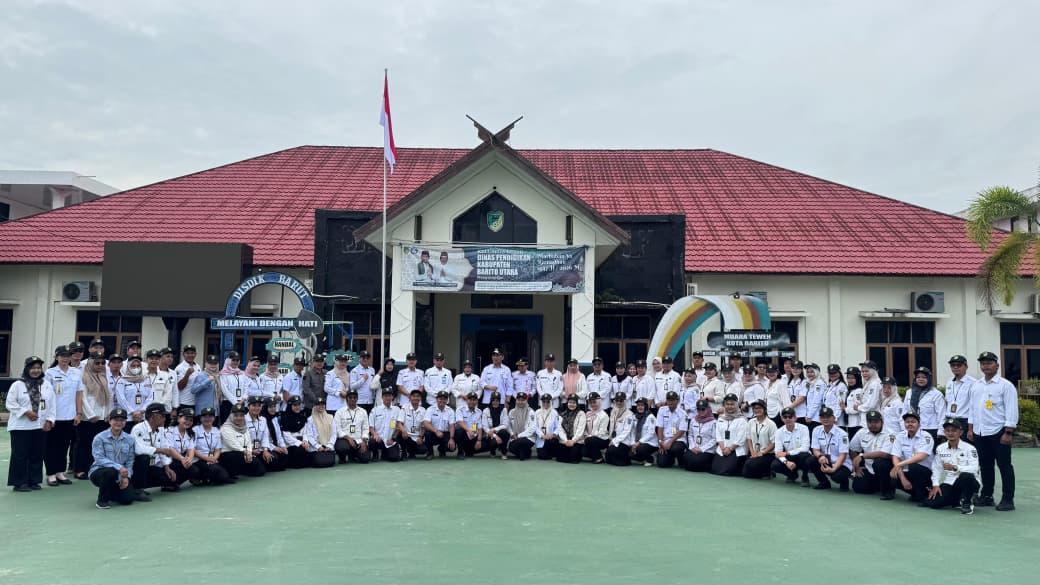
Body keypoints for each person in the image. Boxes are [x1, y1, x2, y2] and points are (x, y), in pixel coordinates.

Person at [968, 351, 1017, 511]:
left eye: (989, 363)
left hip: (999, 432)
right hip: (980, 432)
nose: (986, 366)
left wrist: (1008, 432)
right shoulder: (976, 385)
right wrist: (971, 428)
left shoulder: (1005, 385)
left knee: (1004, 465)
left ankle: (1008, 499)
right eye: (983, 363)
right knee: (985, 465)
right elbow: (972, 408)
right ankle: (987, 496)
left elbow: (1011, 409)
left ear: (997, 365)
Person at [6, 356, 56, 492]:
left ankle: (34, 481)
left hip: (40, 425)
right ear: (27, 369)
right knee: (20, 455)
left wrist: (50, 420)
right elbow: (10, 403)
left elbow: (52, 404)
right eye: (33, 368)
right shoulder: (18, 384)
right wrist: (25, 412)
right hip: (21, 426)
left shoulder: (46, 384)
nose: (36, 370)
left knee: (37, 454)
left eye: (38, 368)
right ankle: (19, 483)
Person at [43, 345, 80, 486]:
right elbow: (45, 395)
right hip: (54, 415)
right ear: (56, 357)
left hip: (69, 415)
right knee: (51, 446)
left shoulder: (75, 372)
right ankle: (51, 473)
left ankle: (60, 472)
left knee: (64, 445)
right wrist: (47, 417)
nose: (65, 358)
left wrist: (78, 413)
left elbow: (79, 394)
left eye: (67, 356)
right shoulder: (50, 373)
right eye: (62, 356)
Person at [927, 417, 981, 514]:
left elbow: (974, 468)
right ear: (944, 432)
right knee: (934, 503)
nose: (950, 433)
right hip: (951, 482)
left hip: (970, 482)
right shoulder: (940, 448)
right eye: (947, 430)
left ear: (961, 432)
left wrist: (955, 467)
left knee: (965, 476)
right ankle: (957, 500)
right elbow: (936, 468)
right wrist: (935, 485)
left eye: (954, 430)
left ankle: (967, 502)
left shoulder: (970, 448)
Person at [88, 408, 137, 508]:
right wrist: (119, 467)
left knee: (127, 499)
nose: (119, 423)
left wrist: (126, 477)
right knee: (110, 471)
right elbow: (99, 458)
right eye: (116, 420)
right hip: (100, 471)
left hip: (121, 474)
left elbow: (130, 461)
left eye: (122, 420)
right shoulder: (99, 438)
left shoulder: (130, 439)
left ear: (125, 422)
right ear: (110, 420)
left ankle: (112, 492)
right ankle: (102, 501)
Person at [74, 352, 112, 479]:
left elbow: (108, 398)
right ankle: (80, 469)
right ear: (91, 364)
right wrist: (91, 415)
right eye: (97, 363)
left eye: (102, 363)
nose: (100, 365)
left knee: (98, 444)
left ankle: (93, 468)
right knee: (84, 444)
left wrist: (108, 414)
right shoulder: (84, 377)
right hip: (88, 418)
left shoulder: (104, 377)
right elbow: (83, 398)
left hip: (102, 418)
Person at [130, 404, 182, 496]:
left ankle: (142, 485)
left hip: (153, 465)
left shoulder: (160, 429)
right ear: (153, 417)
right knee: (143, 458)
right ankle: (137, 489)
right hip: (136, 466)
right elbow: (138, 449)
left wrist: (166, 466)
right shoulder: (138, 428)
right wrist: (159, 450)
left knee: (170, 478)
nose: (165, 419)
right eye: (162, 416)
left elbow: (164, 446)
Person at [884, 411, 934, 503]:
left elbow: (921, 457)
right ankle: (915, 493)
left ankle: (923, 496)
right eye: (907, 422)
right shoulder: (900, 436)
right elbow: (895, 456)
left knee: (914, 467)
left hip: (925, 473)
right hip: (906, 470)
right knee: (893, 479)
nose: (910, 424)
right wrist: (902, 477)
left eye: (913, 422)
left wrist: (899, 465)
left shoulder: (926, 437)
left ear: (919, 424)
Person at [849, 410, 896, 495]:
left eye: (876, 422)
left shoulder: (890, 434)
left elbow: (885, 454)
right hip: (869, 468)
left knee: (880, 463)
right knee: (858, 487)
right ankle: (880, 485)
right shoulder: (862, 432)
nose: (873, 425)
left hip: (885, 468)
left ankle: (888, 489)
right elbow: (852, 449)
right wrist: (857, 466)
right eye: (870, 422)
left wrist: (862, 456)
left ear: (882, 422)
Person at [807, 406, 851, 490]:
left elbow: (843, 455)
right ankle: (824, 482)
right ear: (819, 419)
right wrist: (820, 456)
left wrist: (833, 469)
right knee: (811, 460)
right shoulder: (816, 430)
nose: (825, 419)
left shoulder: (842, 434)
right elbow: (815, 449)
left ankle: (844, 481)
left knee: (837, 477)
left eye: (828, 417)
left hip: (842, 463)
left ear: (834, 418)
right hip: (826, 460)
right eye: (823, 417)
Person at [220, 403, 266, 478]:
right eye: (236, 415)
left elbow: (248, 442)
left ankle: (241, 471)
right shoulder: (225, 428)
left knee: (260, 470)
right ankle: (229, 472)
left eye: (241, 415)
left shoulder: (243, 426)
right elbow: (233, 445)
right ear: (231, 416)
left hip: (244, 453)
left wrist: (249, 452)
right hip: (228, 455)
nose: (239, 418)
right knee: (240, 457)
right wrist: (246, 452)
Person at [192, 407, 233, 485]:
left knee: (224, 476)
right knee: (218, 473)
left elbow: (218, 449)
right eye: (205, 416)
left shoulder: (216, 431)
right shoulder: (195, 430)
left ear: (214, 418)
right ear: (201, 418)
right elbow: (192, 449)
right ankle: (199, 477)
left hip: (212, 459)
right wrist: (206, 458)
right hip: (198, 459)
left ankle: (206, 478)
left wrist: (214, 458)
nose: (207, 419)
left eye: (210, 416)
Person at [771, 407, 811, 485]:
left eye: (790, 417)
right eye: (785, 417)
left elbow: (805, 448)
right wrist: (786, 462)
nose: (788, 419)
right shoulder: (779, 432)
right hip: (789, 457)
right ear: (782, 419)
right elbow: (778, 452)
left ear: (795, 418)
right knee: (775, 465)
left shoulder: (804, 428)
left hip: (801, 455)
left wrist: (787, 453)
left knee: (807, 457)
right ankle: (792, 475)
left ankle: (805, 476)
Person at [711, 394, 748, 476]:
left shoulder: (742, 420)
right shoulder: (721, 418)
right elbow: (718, 435)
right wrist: (723, 448)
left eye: (732, 404)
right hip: (723, 448)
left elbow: (741, 438)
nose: (729, 407)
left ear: (737, 405)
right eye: (727, 404)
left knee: (728, 470)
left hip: (736, 449)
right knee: (715, 469)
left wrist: (730, 449)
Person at [166, 409, 204, 487]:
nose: (188, 422)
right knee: (186, 468)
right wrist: (182, 459)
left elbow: (191, 449)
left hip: (180, 459)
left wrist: (190, 459)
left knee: (195, 470)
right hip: (168, 460)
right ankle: (168, 483)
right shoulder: (169, 431)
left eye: (191, 420)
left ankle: (175, 482)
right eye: (186, 419)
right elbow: (170, 449)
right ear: (178, 419)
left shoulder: (190, 433)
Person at [242, 396, 279, 472]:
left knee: (274, 459)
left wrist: (265, 450)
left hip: (259, 450)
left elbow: (265, 437)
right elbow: (240, 439)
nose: (257, 408)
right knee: (259, 470)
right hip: (247, 451)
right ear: (248, 407)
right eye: (254, 405)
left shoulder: (263, 419)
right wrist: (250, 450)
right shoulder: (243, 420)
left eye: (259, 406)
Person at [907, 366, 945, 441]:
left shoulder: (936, 394)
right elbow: (905, 411)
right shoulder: (909, 392)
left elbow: (941, 414)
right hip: (912, 429)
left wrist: (941, 431)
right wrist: (904, 428)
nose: (921, 379)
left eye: (924, 377)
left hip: (930, 429)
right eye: (918, 377)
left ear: (929, 378)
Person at [333, 390, 371, 463]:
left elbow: (365, 428)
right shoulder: (339, 412)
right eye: (350, 397)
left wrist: (364, 441)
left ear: (357, 399)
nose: (352, 399)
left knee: (366, 458)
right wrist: (348, 438)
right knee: (342, 447)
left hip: (359, 440)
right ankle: (342, 458)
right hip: (345, 440)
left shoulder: (363, 411)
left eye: (354, 397)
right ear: (346, 399)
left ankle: (353, 455)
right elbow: (337, 429)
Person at [742, 401, 776, 479]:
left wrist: (762, 452)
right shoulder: (751, 422)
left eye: (759, 408)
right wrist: (752, 452)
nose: (757, 410)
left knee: (750, 467)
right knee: (745, 472)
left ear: (765, 409)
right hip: (754, 452)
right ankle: (764, 472)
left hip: (767, 453)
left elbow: (774, 443)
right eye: (755, 408)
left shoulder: (771, 424)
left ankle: (768, 471)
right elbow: (749, 438)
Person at [943, 355, 975, 437]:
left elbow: (974, 406)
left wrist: (971, 428)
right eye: (953, 365)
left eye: (959, 365)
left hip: (964, 421)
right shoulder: (949, 382)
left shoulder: (973, 383)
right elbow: (947, 402)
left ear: (966, 367)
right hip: (949, 419)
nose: (955, 367)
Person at [368, 388, 402, 462]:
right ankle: (375, 453)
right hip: (378, 439)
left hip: (389, 441)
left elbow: (398, 427)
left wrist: (393, 439)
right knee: (372, 441)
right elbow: (371, 427)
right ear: (382, 397)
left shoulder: (397, 410)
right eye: (385, 396)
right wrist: (375, 435)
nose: (388, 398)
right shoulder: (375, 410)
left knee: (394, 458)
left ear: (392, 397)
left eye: (389, 396)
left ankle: (385, 453)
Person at [655, 391, 687, 468]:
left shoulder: (683, 413)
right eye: (669, 400)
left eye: (673, 400)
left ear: (677, 401)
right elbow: (660, 427)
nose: (670, 402)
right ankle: (670, 459)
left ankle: (681, 459)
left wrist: (670, 442)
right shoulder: (662, 410)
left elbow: (682, 431)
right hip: (665, 440)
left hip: (678, 439)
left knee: (676, 448)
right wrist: (661, 443)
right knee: (662, 463)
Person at [301, 397, 337, 468]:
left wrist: (329, 445)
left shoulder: (331, 417)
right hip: (316, 448)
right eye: (318, 405)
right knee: (319, 462)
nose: (321, 406)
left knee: (330, 462)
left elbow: (334, 434)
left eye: (322, 404)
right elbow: (309, 436)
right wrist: (318, 446)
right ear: (315, 406)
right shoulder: (310, 419)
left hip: (328, 448)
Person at [278, 397, 312, 469]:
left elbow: (305, 432)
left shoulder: (302, 417)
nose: (297, 407)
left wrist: (305, 441)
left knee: (311, 453)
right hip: (291, 445)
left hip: (302, 443)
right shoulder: (285, 418)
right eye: (295, 405)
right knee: (299, 452)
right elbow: (287, 437)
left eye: (299, 404)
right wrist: (300, 443)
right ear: (290, 406)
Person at [605, 393, 637, 466]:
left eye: (621, 400)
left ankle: (626, 460)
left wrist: (615, 441)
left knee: (612, 452)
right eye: (617, 400)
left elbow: (626, 431)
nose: (619, 402)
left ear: (625, 401)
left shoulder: (629, 414)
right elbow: (611, 427)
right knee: (608, 459)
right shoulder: (613, 411)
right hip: (614, 440)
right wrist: (611, 439)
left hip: (624, 441)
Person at [422, 390, 457, 459]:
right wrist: (436, 431)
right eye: (440, 399)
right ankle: (430, 453)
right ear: (436, 399)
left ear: (447, 400)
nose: (442, 401)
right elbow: (425, 423)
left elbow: (452, 425)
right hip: (434, 433)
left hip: (445, 433)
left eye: (444, 399)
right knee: (428, 434)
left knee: (452, 448)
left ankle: (441, 449)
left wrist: (451, 438)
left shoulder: (450, 411)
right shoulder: (430, 409)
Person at [506, 392, 539, 460]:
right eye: (519, 400)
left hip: (528, 438)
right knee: (511, 448)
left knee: (521, 442)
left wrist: (519, 436)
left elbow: (532, 428)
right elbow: (508, 425)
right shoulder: (512, 412)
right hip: (515, 437)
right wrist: (512, 434)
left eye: (523, 400)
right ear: (516, 400)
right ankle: (526, 453)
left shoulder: (531, 412)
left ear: (526, 401)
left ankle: (523, 453)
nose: (520, 402)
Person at [554, 395, 586, 463]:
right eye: (570, 402)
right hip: (565, 441)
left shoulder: (581, 414)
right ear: (567, 403)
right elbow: (560, 429)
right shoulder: (562, 414)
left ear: (577, 404)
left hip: (576, 441)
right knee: (560, 458)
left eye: (574, 403)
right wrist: (566, 440)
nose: (572, 404)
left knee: (573, 459)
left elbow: (580, 430)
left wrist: (573, 441)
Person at [149, 348, 180, 417]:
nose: (170, 359)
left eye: (172, 357)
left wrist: (175, 408)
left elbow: (175, 391)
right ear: (160, 358)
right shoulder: (153, 371)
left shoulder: (173, 373)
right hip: (153, 408)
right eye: (168, 356)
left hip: (167, 409)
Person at [262, 399, 290, 471]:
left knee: (285, 456)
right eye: (270, 407)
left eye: (274, 406)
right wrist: (274, 447)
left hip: (275, 445)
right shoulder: (262, 420)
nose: (273, 409)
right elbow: (263, 439)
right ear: (265, 408)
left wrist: (283, 446)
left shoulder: (274, 419)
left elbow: (279, 436)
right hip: (266, 447)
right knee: (274, 459)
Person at [399, 390, 427, 460]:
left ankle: (411, 452)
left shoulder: (423, 410)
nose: (416, 398)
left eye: (418, 396)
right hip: (406, 436)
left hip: (416, 438)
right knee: (400, 433)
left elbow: (423, 426)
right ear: (410, 397)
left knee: (423, 450)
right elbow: (399, 423)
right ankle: (404, 453)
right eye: (413, 396)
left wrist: (421, 437)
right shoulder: (404, 408)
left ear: (420, 398)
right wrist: (403, 431)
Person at [582, 392, 610, 463]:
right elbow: (584, 428)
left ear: (599, 402)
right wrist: (585, 435)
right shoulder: (588, 414)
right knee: (581, 450)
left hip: (602, 439)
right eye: (591, 403)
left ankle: (599, 458)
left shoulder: (604, 415)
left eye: (594, 402)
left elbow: (602, 432)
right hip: (588, 439)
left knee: (590, 440)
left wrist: (589, 436)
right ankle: (600, 454)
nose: (592, 404)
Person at [454, 391, 484, 459]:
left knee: (486, 444)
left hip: (474, 435)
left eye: (474, 400)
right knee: (459, 431)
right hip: (464, 435)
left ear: (477, 401)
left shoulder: (479, 411)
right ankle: (460, 452)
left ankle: (470, 451)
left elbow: (480, 427)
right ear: (467, 400)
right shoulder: (460, 409)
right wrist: (469, 430)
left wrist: (479, 440)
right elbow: (459, 422)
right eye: (470, 400)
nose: (472, 402)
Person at [630, 398, 658, 467]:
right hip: (638, 442)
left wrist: (638, 443)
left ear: (646, 406)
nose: (640, 407)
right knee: (629, 453)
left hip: (650, 443)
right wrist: (633, 444)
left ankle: (650, 459)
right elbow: (632, 431)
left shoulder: (650, 417)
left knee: (640, 448)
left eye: (642, 405)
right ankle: (641, 459)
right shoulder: (634, 416)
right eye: (638, 405)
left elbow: (651, 433)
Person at [482, 391, 510, 459]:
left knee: (504, 433)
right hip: (490, 434)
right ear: (491, 400)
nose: (495, 402)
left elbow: (505, 425)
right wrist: (495, 436)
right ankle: (492, 451)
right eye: (493, 400)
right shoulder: (486, 410)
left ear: (499, 401)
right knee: (492, 443)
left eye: (497, 400)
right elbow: (485, 427)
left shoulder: (504, 410)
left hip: (499, 432)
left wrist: (494, 429)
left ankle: (504, 452)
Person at [218, 352, 245, 423]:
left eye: (237, 360)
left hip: (241, 402)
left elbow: (246, 388)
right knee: (227, 426)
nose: (235, 362)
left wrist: (243, 399)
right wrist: (236, 403)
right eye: (233, 360)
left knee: (239, 425)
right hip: (228, 403)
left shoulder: (242, 373)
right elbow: (225, 391)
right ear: (228, 361)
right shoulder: (223, 374)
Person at [174, 344, 202, 410]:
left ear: (195, 354)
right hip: (184, 403)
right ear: (183, 354)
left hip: (196, 402)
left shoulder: (197, 366)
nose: (190, 355)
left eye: (192, 353)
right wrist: (187, 375)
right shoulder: (179, 368)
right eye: (187, 353)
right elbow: (179, 387)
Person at [534, 393, 561, 461]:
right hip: (541, 439)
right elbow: (535, 427)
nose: (545, 403)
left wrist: (553, 434)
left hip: (551, 439)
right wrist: (542, 435)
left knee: (552, 444)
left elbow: (558, 427)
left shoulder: (554, 413)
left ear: (550, 402)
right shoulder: (537, 412)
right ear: (541, 402)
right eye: (544, 402)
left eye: (548, 402)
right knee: (542, 456)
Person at [842, 366, 864, 437]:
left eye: (853, 378)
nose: (850, 380)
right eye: (848, 378)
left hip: (856, 424)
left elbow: (857, 409)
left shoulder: (858, 391)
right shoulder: (850, 390)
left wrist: (845, 409)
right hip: (850, 424)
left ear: (857, 378)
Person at [785, 361, 808, 426]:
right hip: (790, 414)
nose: (795, 370)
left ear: (801, 370)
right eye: (793, 368)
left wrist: (789, 408)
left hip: (801, 414)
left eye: (798, 368)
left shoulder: (805, 382)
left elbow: (802, 398)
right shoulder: (789, 382)